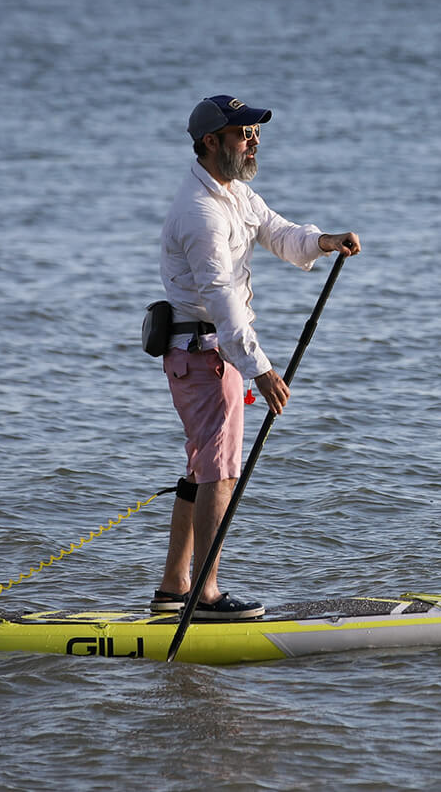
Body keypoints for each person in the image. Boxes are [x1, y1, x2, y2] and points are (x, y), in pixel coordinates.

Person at [152, 95, 360, 619]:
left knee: (203, 471)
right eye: (243, 133)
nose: (254, 140)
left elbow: (280, 233)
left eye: (254, 132)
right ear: (210, 142)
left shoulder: (234, 195)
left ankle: (175, 587)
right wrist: (261, 368)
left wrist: (323, 241)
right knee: (219, 474)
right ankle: (205, 595)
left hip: (210, 353)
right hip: (204, 354)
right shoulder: (201, 213)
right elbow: (221, 297)